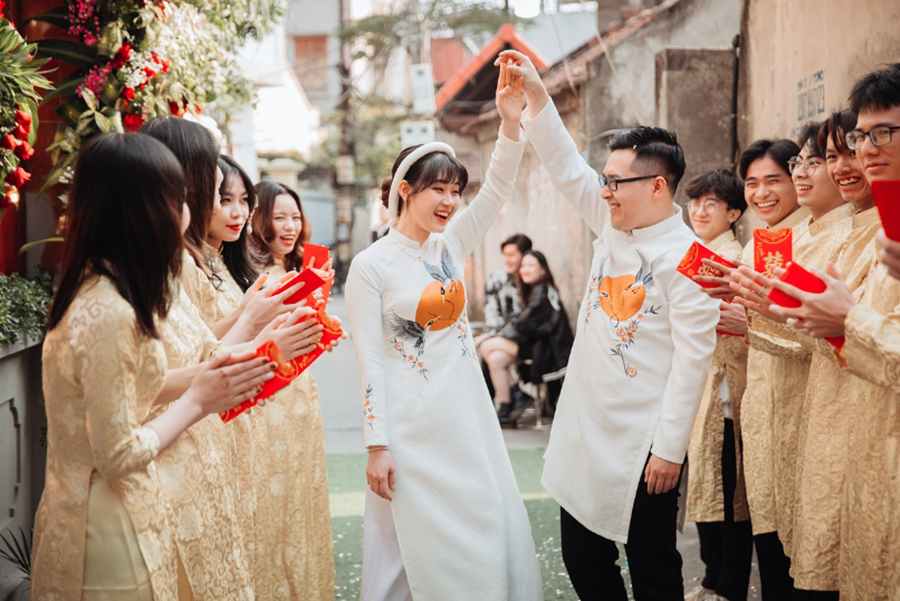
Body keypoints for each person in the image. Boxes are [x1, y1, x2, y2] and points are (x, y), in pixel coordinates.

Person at [500, 49, 720, 601]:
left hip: (642, 441)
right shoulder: (611, 221)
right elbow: (565, 166)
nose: (605, 190)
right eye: (606, 180)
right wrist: (537, 95)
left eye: (617, 182)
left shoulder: (692, 259)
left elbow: (693, 361)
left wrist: (669, 450)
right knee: (582, 557)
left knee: (653, 567)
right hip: (584, 428)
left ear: (657, 186)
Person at [30, 133, 277, 601]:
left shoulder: (105, 288)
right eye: (179, 197)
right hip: (109, 525)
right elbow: (116, 454)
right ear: (146, 210)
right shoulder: (108, 309)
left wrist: (225, 370)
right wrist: (198, 401)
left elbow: (139, 385)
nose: (189, 210)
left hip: (121, 512)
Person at [344, 60, 543, 601]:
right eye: (438, 189)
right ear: (405, 190)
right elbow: (370, 361)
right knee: (402, 547)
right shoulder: (370, 266)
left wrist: (509, 123)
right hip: (408, 429)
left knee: (483, 521)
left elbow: (497, 188)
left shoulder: (450, 245)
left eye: (455, 190)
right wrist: (377, 444)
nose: (451, 202)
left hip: (465, 415)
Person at [141, 116, 322, 599]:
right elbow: (169, 373)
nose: (230, 208)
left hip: (211, 429)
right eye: (218, 193)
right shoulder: (164, 269)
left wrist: (263, 327)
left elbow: (200, 353)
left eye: (242, 199)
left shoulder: (198, 260)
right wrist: (254, 325)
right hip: (180, 441)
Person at [765, 64, 900, 600]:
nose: (864, 151)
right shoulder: (869, 228)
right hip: (858, 436)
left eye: (882, 133)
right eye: (859, 137)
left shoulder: (869, 228)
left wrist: (844, 322)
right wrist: (769, 312)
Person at [730, 117, 862, 600]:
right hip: (772, 408)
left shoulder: (843, 236)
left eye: (819, 160)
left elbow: (825, 335)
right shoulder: (791, 238)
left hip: (819, 410)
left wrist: (755, 320)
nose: (804, 172)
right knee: (777, 547)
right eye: (802, 162)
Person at [694, 137, 808, 601]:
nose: (761, 192)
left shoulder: (811, 239)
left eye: (772, 180)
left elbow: (814, 332)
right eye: (753, 182)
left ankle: (723, 585)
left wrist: (750, 324)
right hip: (760, 408)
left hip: (797, 409)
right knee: (765, 531)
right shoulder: (761, 245)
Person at [249, 179, 336, 600]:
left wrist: (321, 330)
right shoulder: (252, 277)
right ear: (258, 221)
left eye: (295, 217)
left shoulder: (300, 271)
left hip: (300, 393)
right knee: (272, 497)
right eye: (278, 217)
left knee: (301, 495)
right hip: (266, 395)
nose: (289, 226)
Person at [682, 169, 753, 601]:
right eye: (695, 202)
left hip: (726, 391)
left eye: (712, 203)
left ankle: (728, 586)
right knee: (707, 489)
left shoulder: (734, 259)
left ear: (733, 213)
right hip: (700, 390)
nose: (700, 211)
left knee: (729, 496)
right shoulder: (695, 253)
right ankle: (713, 580)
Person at [485, 249, 573, 416]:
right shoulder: (541, 289)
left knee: (486, 346)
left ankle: (518, 395)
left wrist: (493, 335)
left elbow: (523, 324)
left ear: (543, 270)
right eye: (523, 266)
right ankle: (507, 405)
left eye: (531, 265)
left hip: (547, 350)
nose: (525, 269)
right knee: (496, 359)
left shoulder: (541, 292)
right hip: (543, 346)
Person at [476, 233, 532, 420]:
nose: (507, 260)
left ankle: (505, 403)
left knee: (487, 349)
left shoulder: (530, 278)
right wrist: (495, 334)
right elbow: (492, 316)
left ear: (525, 254)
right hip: (504, 336)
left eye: (512, 255)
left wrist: (489, 337)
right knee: (494, 357)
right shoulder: (496, 279)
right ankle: (509, 402)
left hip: (527, 339)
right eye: (505, 255)